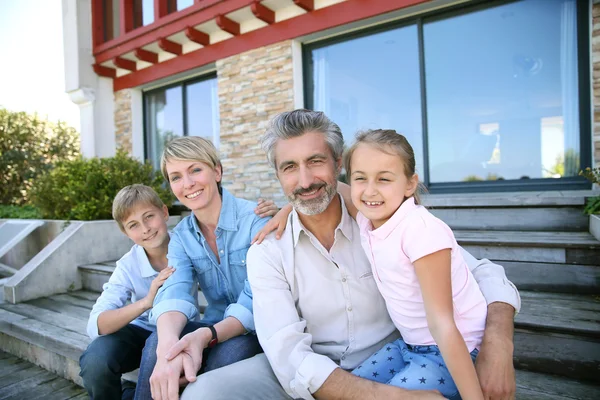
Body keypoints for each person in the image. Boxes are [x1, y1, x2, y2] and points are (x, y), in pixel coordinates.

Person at [180, 109, 521, 400]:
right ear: (278, 175)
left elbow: (482, 273)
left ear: (338, 164)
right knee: (202, 394)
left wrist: (498, 344)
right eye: (289, 167)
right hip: (313, 370)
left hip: (400, 355)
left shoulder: (382, 221)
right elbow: (289, 357)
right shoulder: (267, 251)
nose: (305, 180)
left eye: (316, 161)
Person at [343, 129, 486, 399]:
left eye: (384, 179)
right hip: (410, 345)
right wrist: (285, 209)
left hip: (454, 350)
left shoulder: (420, 231)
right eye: (360, 178)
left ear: (410, 184)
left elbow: (442, 323)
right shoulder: (367, 218)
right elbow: (326, 189)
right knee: (350, 390)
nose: (370, 190)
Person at [135, 136, 278, 400]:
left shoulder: (256, 220)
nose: (187, 184)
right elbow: (175, 290)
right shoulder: (181, 236)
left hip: (257, 329)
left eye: (195, 170)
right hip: (211, 324)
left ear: (217, 171)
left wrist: (206, 336)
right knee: (159, 341)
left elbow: (258, 297)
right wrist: (167, 347)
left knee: (228, 355)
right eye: (176, 177)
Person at [79, 184, 178, 400]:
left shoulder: (187, 243)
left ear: (164, 212)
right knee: (96, 360)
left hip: (181, 329)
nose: (145, 229)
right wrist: (145, 302)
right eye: (133, 225)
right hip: (141, 331)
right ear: (125, 232)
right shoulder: (127, 265)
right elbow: (96, 323)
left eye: (149, 216)